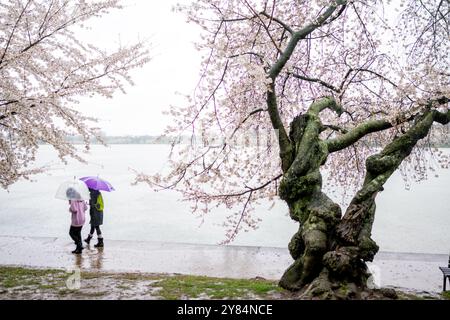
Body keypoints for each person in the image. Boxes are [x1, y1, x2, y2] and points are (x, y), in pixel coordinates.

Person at [67, 189, 87, 254]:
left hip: (76, 219)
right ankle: (79, 248)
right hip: (82, 218)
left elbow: (74, 210)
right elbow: (86, 208)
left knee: (71, 233)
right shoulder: (82, 198)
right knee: (78, 233)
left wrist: (70, 208)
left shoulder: (73, 199)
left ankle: (79, 245)